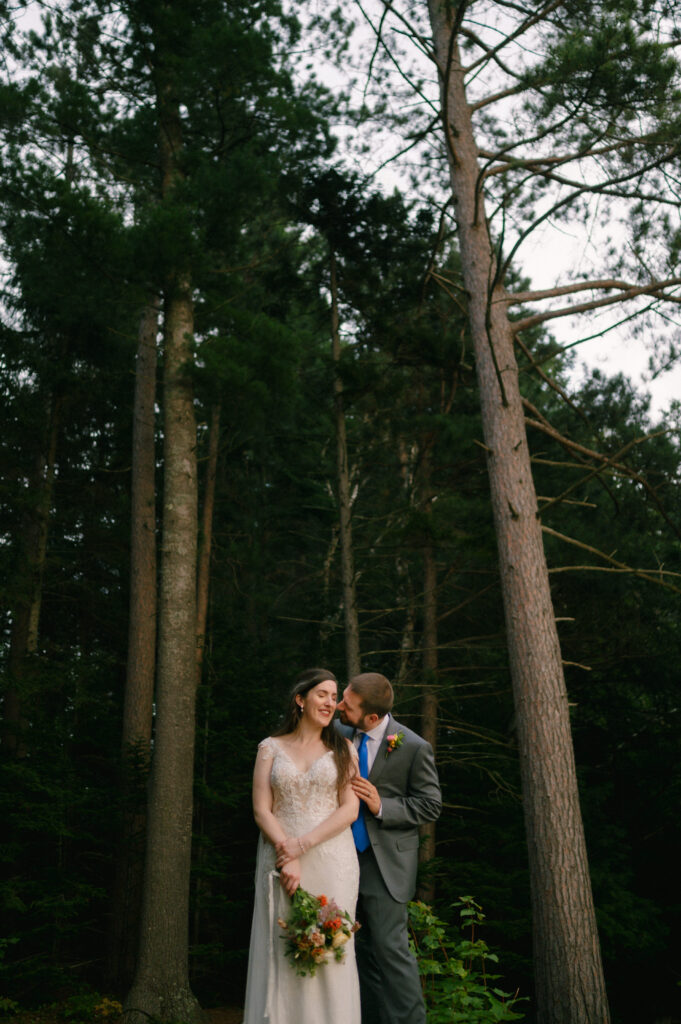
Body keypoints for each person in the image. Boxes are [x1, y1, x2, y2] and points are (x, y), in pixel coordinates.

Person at [243, 668, 361, 1024]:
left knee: (329, 951)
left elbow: (350, 808)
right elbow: (261, 809)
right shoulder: (270, 748)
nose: (330, 702)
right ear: (300, 699)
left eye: (333, 696)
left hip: (331, 860)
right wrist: (286, 855)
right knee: (281, 948)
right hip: (279, 859)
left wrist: (301, 846)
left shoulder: (343, 750)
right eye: (322, 694)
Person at [336, 672, 442, 1024]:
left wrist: (383, 806)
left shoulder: (412, 746)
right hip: (339, 859)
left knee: (390, 950)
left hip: (385, 866)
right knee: (356, 951)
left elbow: (429, 805)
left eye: (347, 705)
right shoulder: (338, 734)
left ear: (372, 717)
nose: (339, 707)